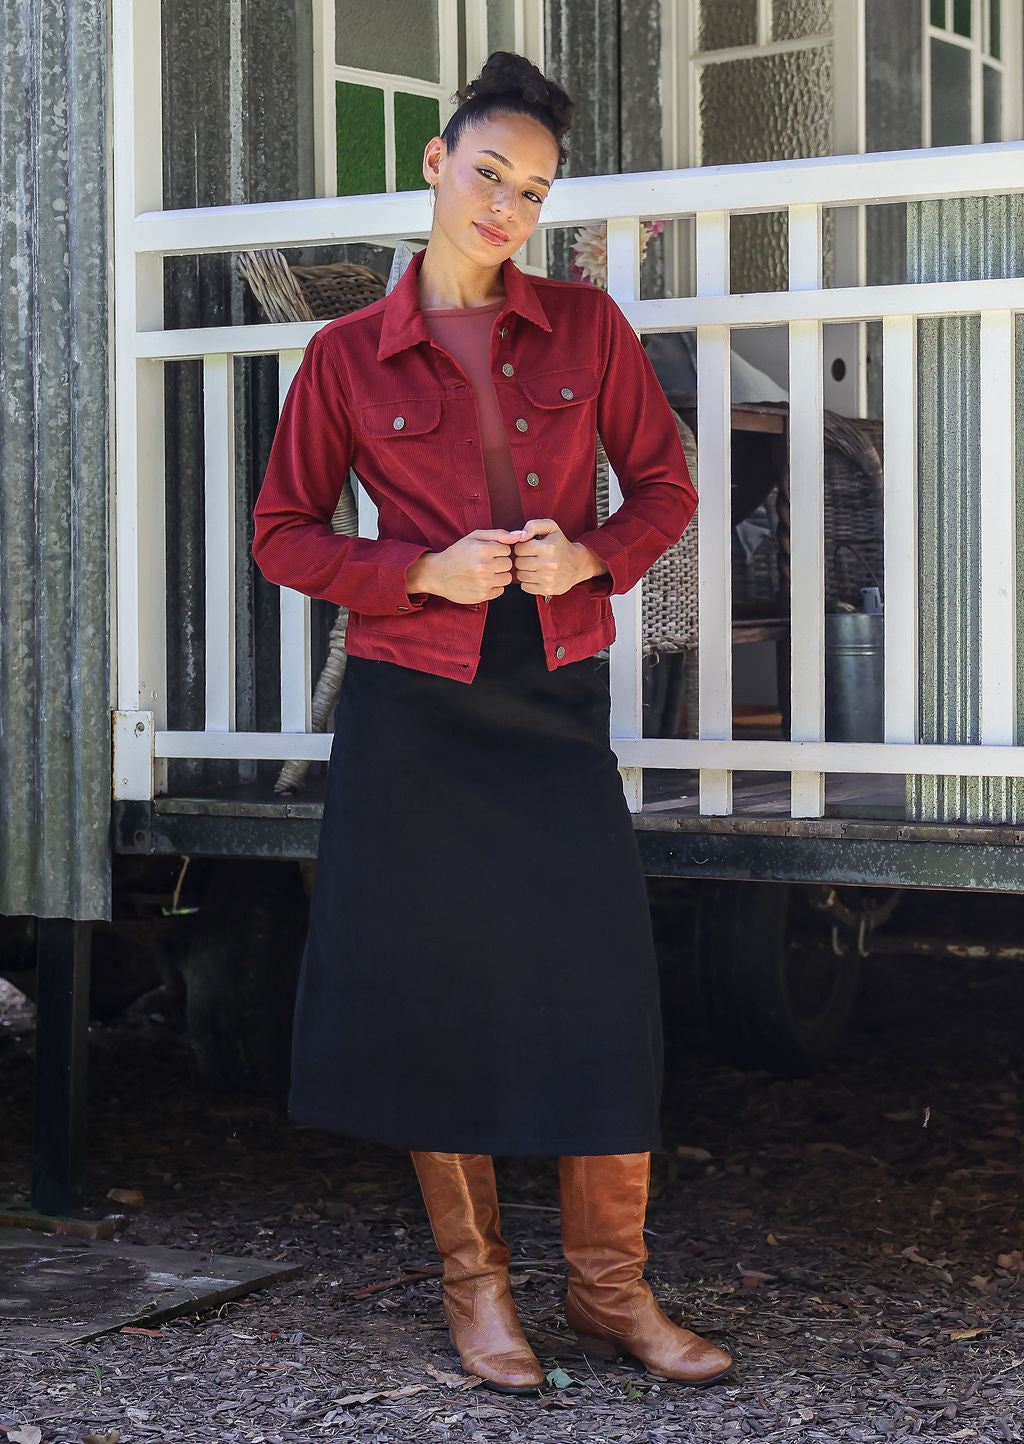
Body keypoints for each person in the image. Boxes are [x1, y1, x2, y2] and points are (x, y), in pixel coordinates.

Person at [252, 52, 732, 1392]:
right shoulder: (346, 355)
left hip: (553, 686)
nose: (506, 207)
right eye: (488, 175)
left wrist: (592, 559)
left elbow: (662, 490)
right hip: (417, 701)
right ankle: (481, 1297)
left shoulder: (586, 327)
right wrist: (411, 569)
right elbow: (281, 533)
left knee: (603, 995)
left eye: (531, 190)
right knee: (441, 998)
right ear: (435, 164)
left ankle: (611, 1293)